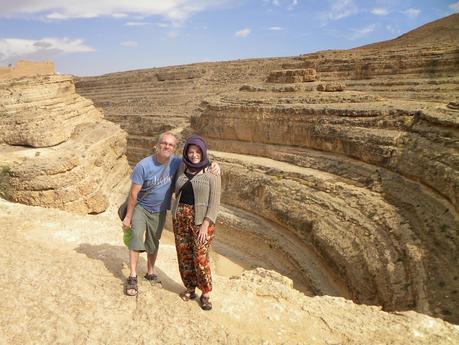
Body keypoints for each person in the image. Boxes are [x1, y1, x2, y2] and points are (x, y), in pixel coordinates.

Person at [122, 132, 219, 296]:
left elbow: (199, 162)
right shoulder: (144, 165)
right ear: (157, 145)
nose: (167, 146)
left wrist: (216, 164)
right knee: (137, 237)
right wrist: (128, 217)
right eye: (164, 143)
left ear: (174, 149)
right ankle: (132, 276)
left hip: (161, 211)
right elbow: (133, 194)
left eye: (171, 145)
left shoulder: (177, 162)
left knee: (154, 242)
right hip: (143, 207)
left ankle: (150, 272)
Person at [171, 135, 221, 310]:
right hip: (180, 218)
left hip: (202, 221)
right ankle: (190, 287)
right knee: (184, 255)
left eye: (198, 151)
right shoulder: (181, 167)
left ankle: (205, 293)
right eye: (191, 151)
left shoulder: (212, 173)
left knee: (200, 257)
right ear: (186, 152)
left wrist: (205, 225)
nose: (194, 155)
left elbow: (214, 203)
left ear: (203, 152)